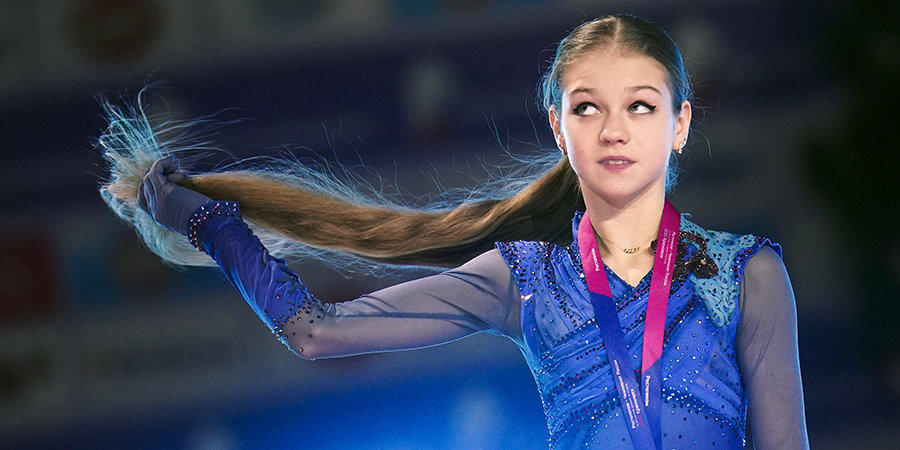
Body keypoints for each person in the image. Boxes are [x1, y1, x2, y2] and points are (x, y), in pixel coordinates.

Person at [99, 14, 808, 449]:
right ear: (558, 128)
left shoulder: (748, 275)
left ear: (681, 124)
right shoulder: (524, 279)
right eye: (588, 108)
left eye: (642, 106)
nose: (614, 130)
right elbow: (316, 332)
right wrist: (213, 227)